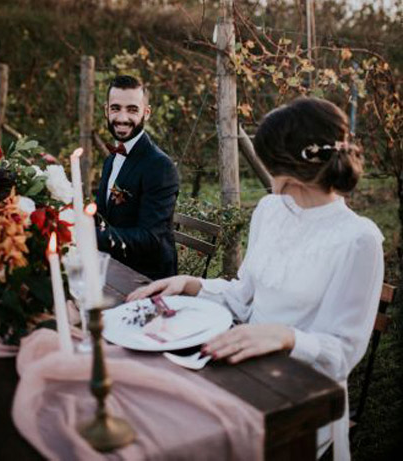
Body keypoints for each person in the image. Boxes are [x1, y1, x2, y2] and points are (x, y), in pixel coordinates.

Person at [127, 97, 384, 461]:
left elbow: (341, 354)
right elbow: (242, 296)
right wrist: (190, 285)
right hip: (239, 368)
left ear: (291, 166)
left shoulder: (359, 239)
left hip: (299, 399)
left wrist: (285, 336)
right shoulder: (269, 210)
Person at [96, 75, 179, 280]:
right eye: (116, 108)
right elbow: (104, 214)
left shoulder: (160, 166)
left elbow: (150, 238)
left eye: (132, 109)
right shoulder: (111, 160)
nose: (122, 118)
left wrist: (89, 238)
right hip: (113, 265)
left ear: (146, 113)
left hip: (145, 277)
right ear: (106, 111)